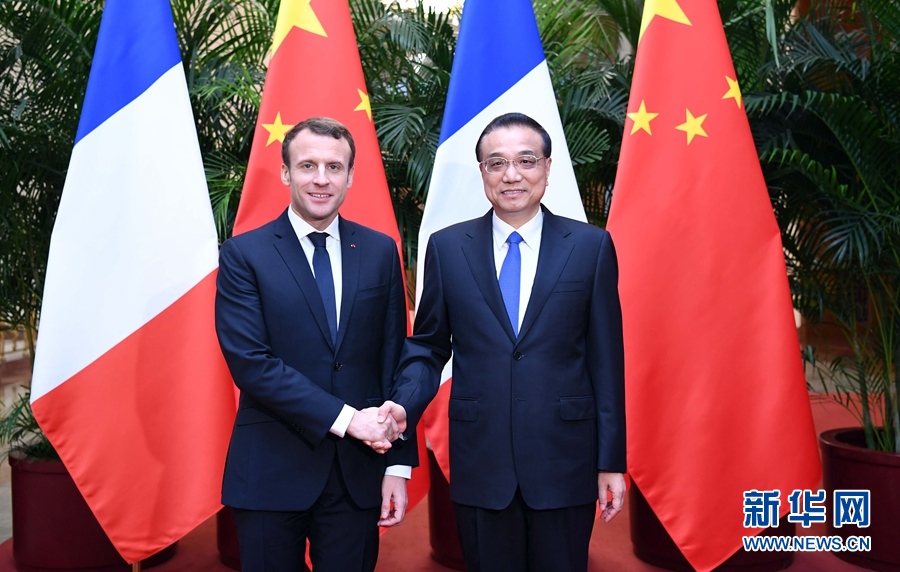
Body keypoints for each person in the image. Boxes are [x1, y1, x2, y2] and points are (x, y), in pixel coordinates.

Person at [382, 112, 627, 571]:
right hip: (482, 462)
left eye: (526, 161)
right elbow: (429, 347)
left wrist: (610, 461)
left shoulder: (590, 247)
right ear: (482, 173)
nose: (511, 175)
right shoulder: (447, 248)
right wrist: (403, 404)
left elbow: (606, 361)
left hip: (564, 460)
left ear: (547, 168)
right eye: (496, 163)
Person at [215, 116, 413, 572]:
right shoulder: (244, 254)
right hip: (271, 469)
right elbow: (252, 364)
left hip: (357, 474)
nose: (321, 179)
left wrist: (397, 467)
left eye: (334, 167)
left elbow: (394, 362)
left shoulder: (381, 251)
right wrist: (349, 420)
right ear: (286, 173)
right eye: (307, 166)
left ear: (350, 176)